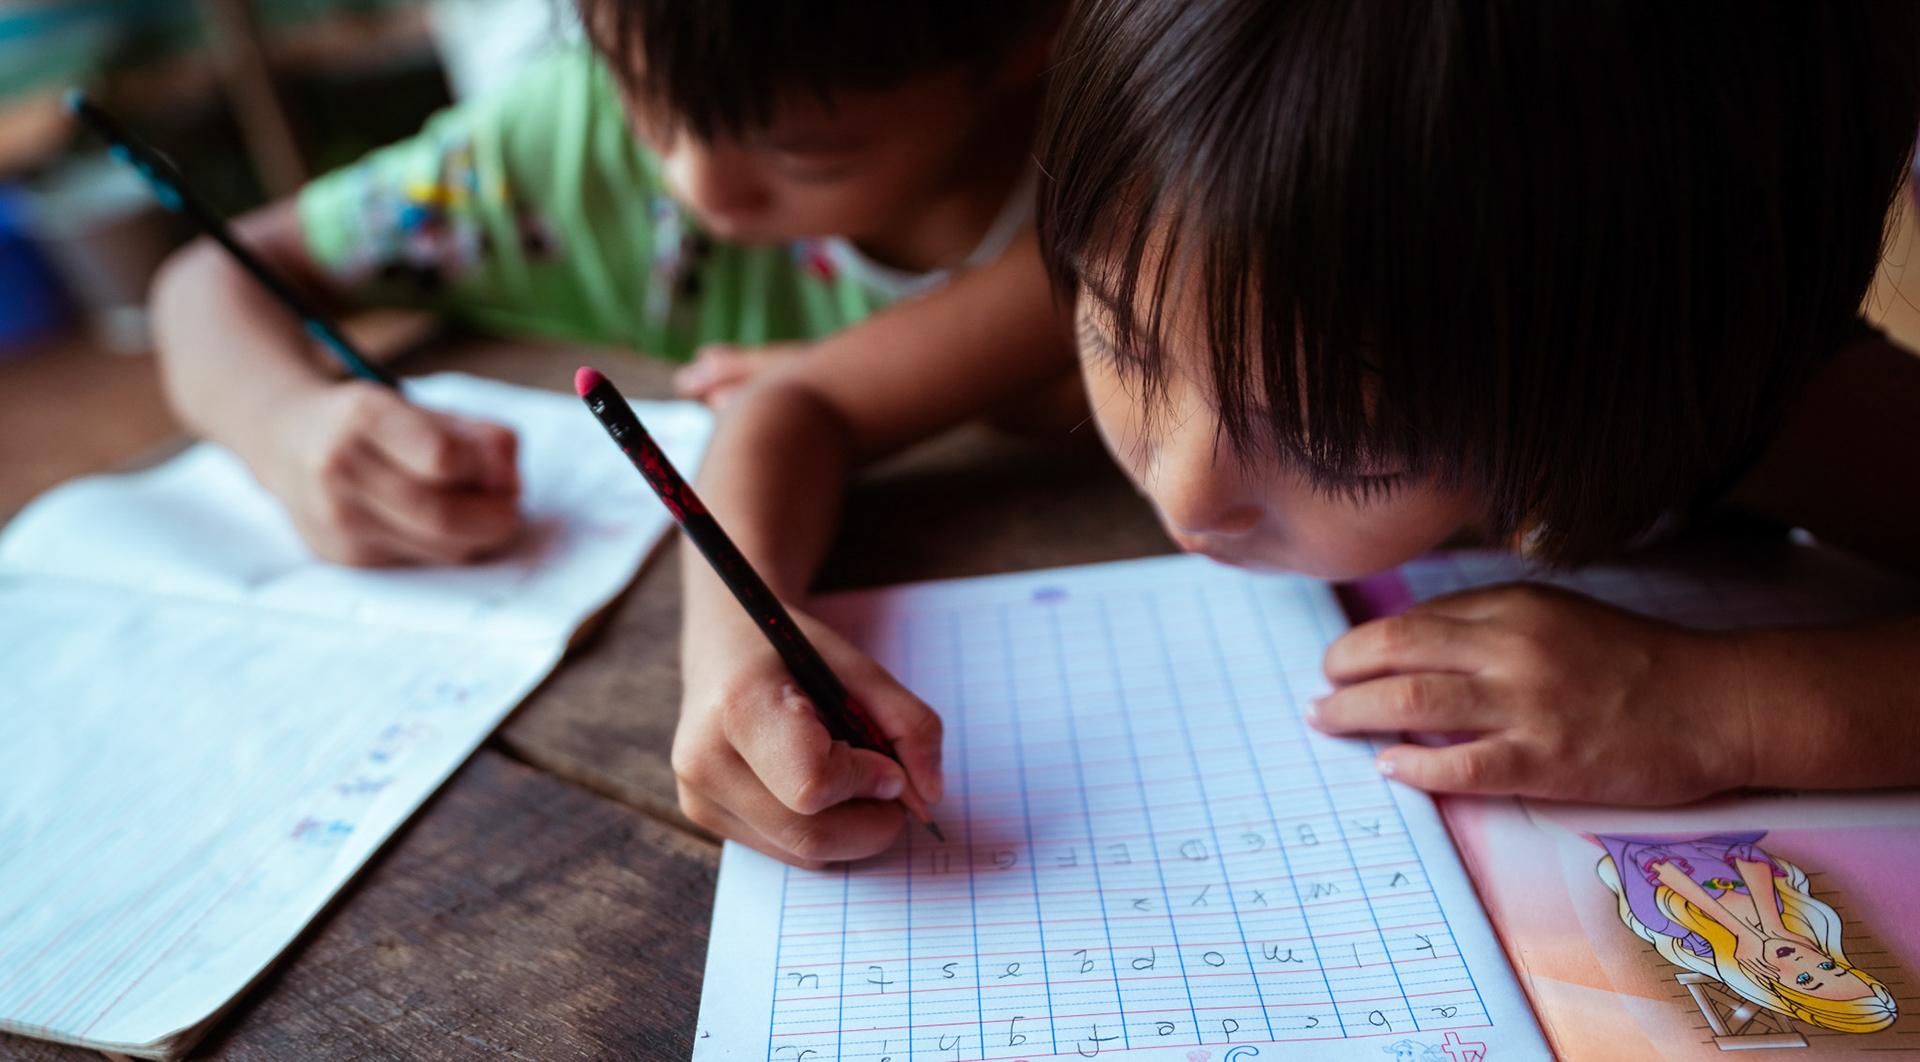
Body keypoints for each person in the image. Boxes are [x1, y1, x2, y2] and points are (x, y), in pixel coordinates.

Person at [672, 0, 1920, 867]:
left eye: (1340, 448)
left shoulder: (1736, 394)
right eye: (1114, 340)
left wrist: (1731, 708)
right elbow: (799, 403)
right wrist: (739, 650)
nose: (1183, 490)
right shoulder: (1186, 226)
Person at [149, 0, 1064, 567]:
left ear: (1037, 24)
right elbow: (210, 277)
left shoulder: (1147, 173)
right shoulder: (566, 147)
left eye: (803, 155)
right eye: (639, 93)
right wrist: (286, 428)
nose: (693, 187)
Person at [1594, 832, 1897, 1033]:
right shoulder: (1786, 908)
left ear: (1781, 989)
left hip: (1636, 828)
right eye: (1829, 967)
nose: (1806, 962)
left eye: (1805, 980)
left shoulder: (1675, 926)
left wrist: (1742, 934)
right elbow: (1746, 852)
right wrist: (1772, 927)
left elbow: (1652, 860)